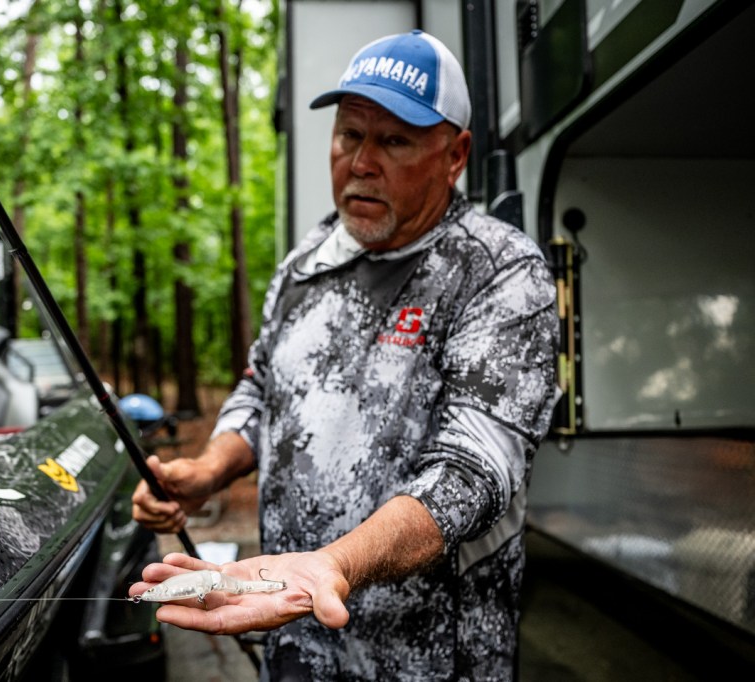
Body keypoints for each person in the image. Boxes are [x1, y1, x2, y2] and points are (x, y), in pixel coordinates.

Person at [130, 29, 560, 681]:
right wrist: (208, 469)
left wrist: (334, 565)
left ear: (455, 155)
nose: (361, 162)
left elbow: (472, 471)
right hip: (291, 636)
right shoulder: (306, 262)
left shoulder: (499, 272)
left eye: (394, 141)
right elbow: (260, 389)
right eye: (349, 134)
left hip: (428, 661)